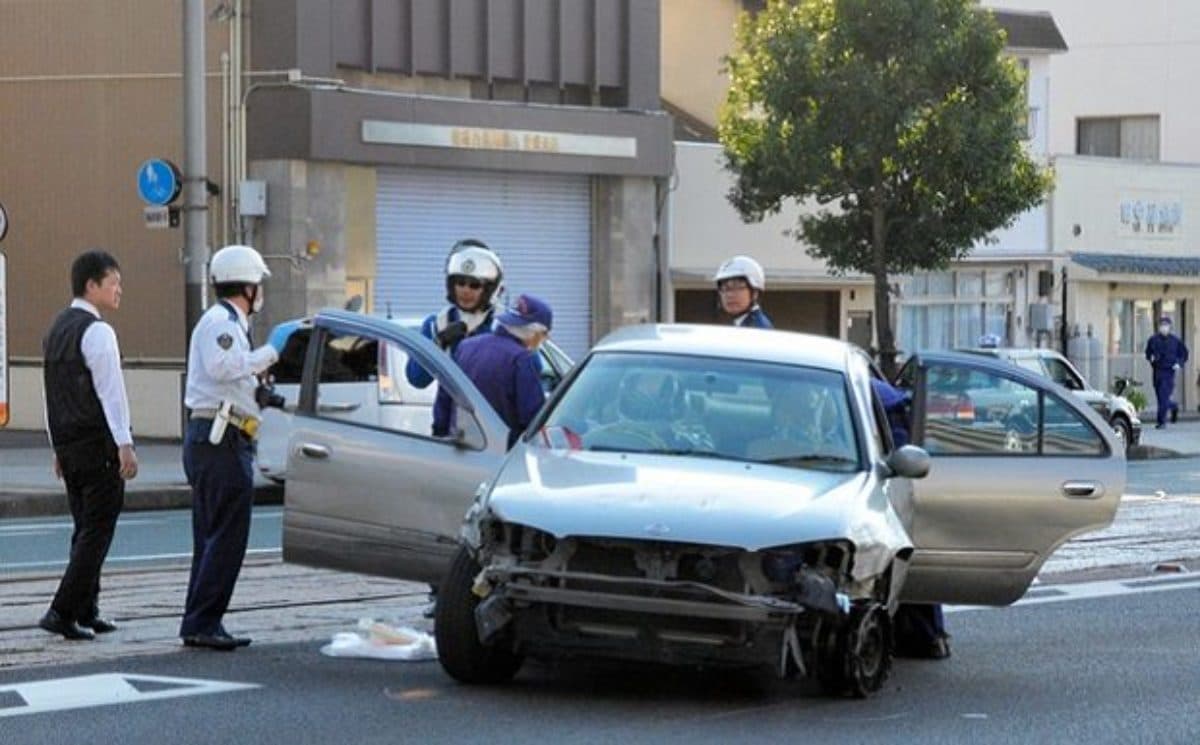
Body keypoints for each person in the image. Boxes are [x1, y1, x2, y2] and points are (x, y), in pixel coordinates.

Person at [179, 244, 280, 651]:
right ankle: (204, 621)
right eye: (259, 286)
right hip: (220, 441)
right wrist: (271, 351)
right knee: (225, 535)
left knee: (212, 534)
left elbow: (234, 379)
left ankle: (199, 619)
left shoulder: (230, 325)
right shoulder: (220, 322)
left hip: (222, 437)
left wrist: (264, 393)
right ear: (249, 286)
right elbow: (224, 367)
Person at [38, 250, 138, 640]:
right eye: (113, 283)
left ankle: (86, 608)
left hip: (69, 444)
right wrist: (124, 443)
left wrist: (56, 448)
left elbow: (50, 393)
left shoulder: (56, 328)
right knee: (97, 530)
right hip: (98, 445)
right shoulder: (97, 332)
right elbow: (111, 393)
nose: (119, 290)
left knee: (83, 528)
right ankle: (62, 611)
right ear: (91, 285)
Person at [871, 376, 952, 660]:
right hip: (897, 457)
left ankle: (926, 636)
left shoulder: (863, 389)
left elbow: (903, 459)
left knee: (904, 554)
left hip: (896, 467)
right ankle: (928, 635)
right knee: (907, 555)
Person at [432, 294, 552, 449]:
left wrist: (439, 435)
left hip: (460, 447)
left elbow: (445, 395)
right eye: (545, 334)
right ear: (535, 332)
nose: (545, 339)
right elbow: (531, 417)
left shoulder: (465, 346)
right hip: (502, 454)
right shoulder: (523, 359)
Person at [405, 239, 505, 388]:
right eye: (460, 282)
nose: (466, 290)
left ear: (490, 289)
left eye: (474, 285)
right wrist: (438, 343)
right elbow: (416, 379)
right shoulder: (436, 325)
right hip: (451, 410)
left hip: (493, 410)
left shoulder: (505, 326)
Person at [1144, 315, 1188, 429]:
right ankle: (1173, 406)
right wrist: (1150, 357)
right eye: (1162, 326)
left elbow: (1184, 354)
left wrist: (1179, 363)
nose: (1164, 328)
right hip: (1157, 371)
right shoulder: (1153, 340)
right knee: (1160, 397)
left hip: (1169, 371)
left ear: (1170, 327)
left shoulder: (1175, 341)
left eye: (1166, 326)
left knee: (1163, 397)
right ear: (1158, 327)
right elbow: (1148, 353)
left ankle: (1161, 422)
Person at [715, 255, 772, 328]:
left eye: (738, 287)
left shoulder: (757, 328)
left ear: (755, 293)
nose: (729, 295)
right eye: (725, 288)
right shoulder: (743, 323)